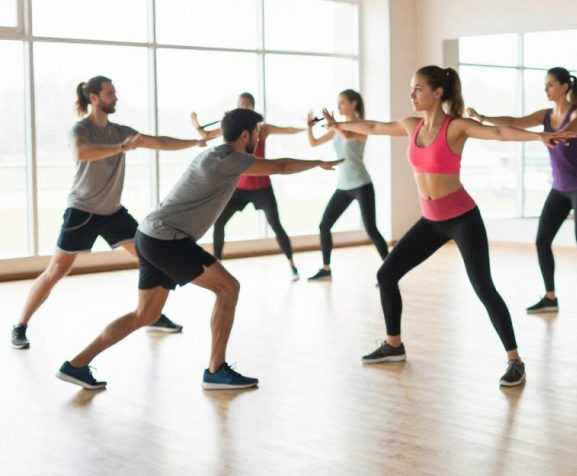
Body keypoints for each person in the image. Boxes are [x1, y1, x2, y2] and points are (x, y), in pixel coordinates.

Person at [322, 66, 575, 387]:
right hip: (431, 221)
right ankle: (394, 345)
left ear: (437, 92)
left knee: (484, 288)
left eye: (418, 89)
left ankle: (515, 360)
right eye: (412, 89)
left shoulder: (456, 128)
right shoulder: (409, 125)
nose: (412, 95)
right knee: (386, 274)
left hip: (462, 219)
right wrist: (338, 124)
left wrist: (538, 136)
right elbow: (372, 125)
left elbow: (497, 133)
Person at [55, 108, 341, 390]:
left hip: (149, 235)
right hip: (167, 239)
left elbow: (275, 166)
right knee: (228, 288)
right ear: (245, 135)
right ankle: (216, 371)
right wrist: (318, 162)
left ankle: (76, 365)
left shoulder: (215, 155)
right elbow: (279, 167)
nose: (259, 137)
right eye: (257, 133)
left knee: (146, 314)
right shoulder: (229, 159)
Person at [11, 76, 203, 350]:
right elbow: (81, 153)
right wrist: (122, 148)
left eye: (115, 93)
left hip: (113, 213)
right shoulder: (81, 129)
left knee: (152, 256)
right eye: (110, 93)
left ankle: (151, 314)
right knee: (56, 270)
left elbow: (159, 142)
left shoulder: (120, 131)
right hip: (82, 211)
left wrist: (195, 143)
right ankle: (20, 326)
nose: (115, 97)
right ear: (94, 98)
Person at [467, 67, 577, 322]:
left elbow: (575, 129)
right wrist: (482, 117)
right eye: (545, 85)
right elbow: (513, 121)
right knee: (542, 240)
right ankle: (550, 298)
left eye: (550, 85)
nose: (546, 89)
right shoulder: (545, 115)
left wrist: (549, 136)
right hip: (559, 188)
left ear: (565, 87)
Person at [192, 92, 304, 281]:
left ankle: (292, 265)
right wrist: (195, 121)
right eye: (240, 104)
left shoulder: (262, 128)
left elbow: (288, 130)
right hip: (239, 188)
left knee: (276, 225)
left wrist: (305, 128)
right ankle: (217, 265)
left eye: (246, 104)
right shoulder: (233, 128)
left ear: (252, 106)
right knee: (219, 223)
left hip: (262, 187)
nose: (243, 107)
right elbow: (205, 135)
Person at [305, 89, 389, 280]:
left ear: (353, 104)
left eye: (342, 102)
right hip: (343, 186)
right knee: (324, 225)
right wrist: (310, 126)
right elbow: (314, 143)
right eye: (338, 102)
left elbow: (349, 136)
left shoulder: (361, 126)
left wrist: (334, 125)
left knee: (371, 229)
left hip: (361, 184)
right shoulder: (337, 128)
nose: (338, 106)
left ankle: (390, 270)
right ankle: (326, 269)